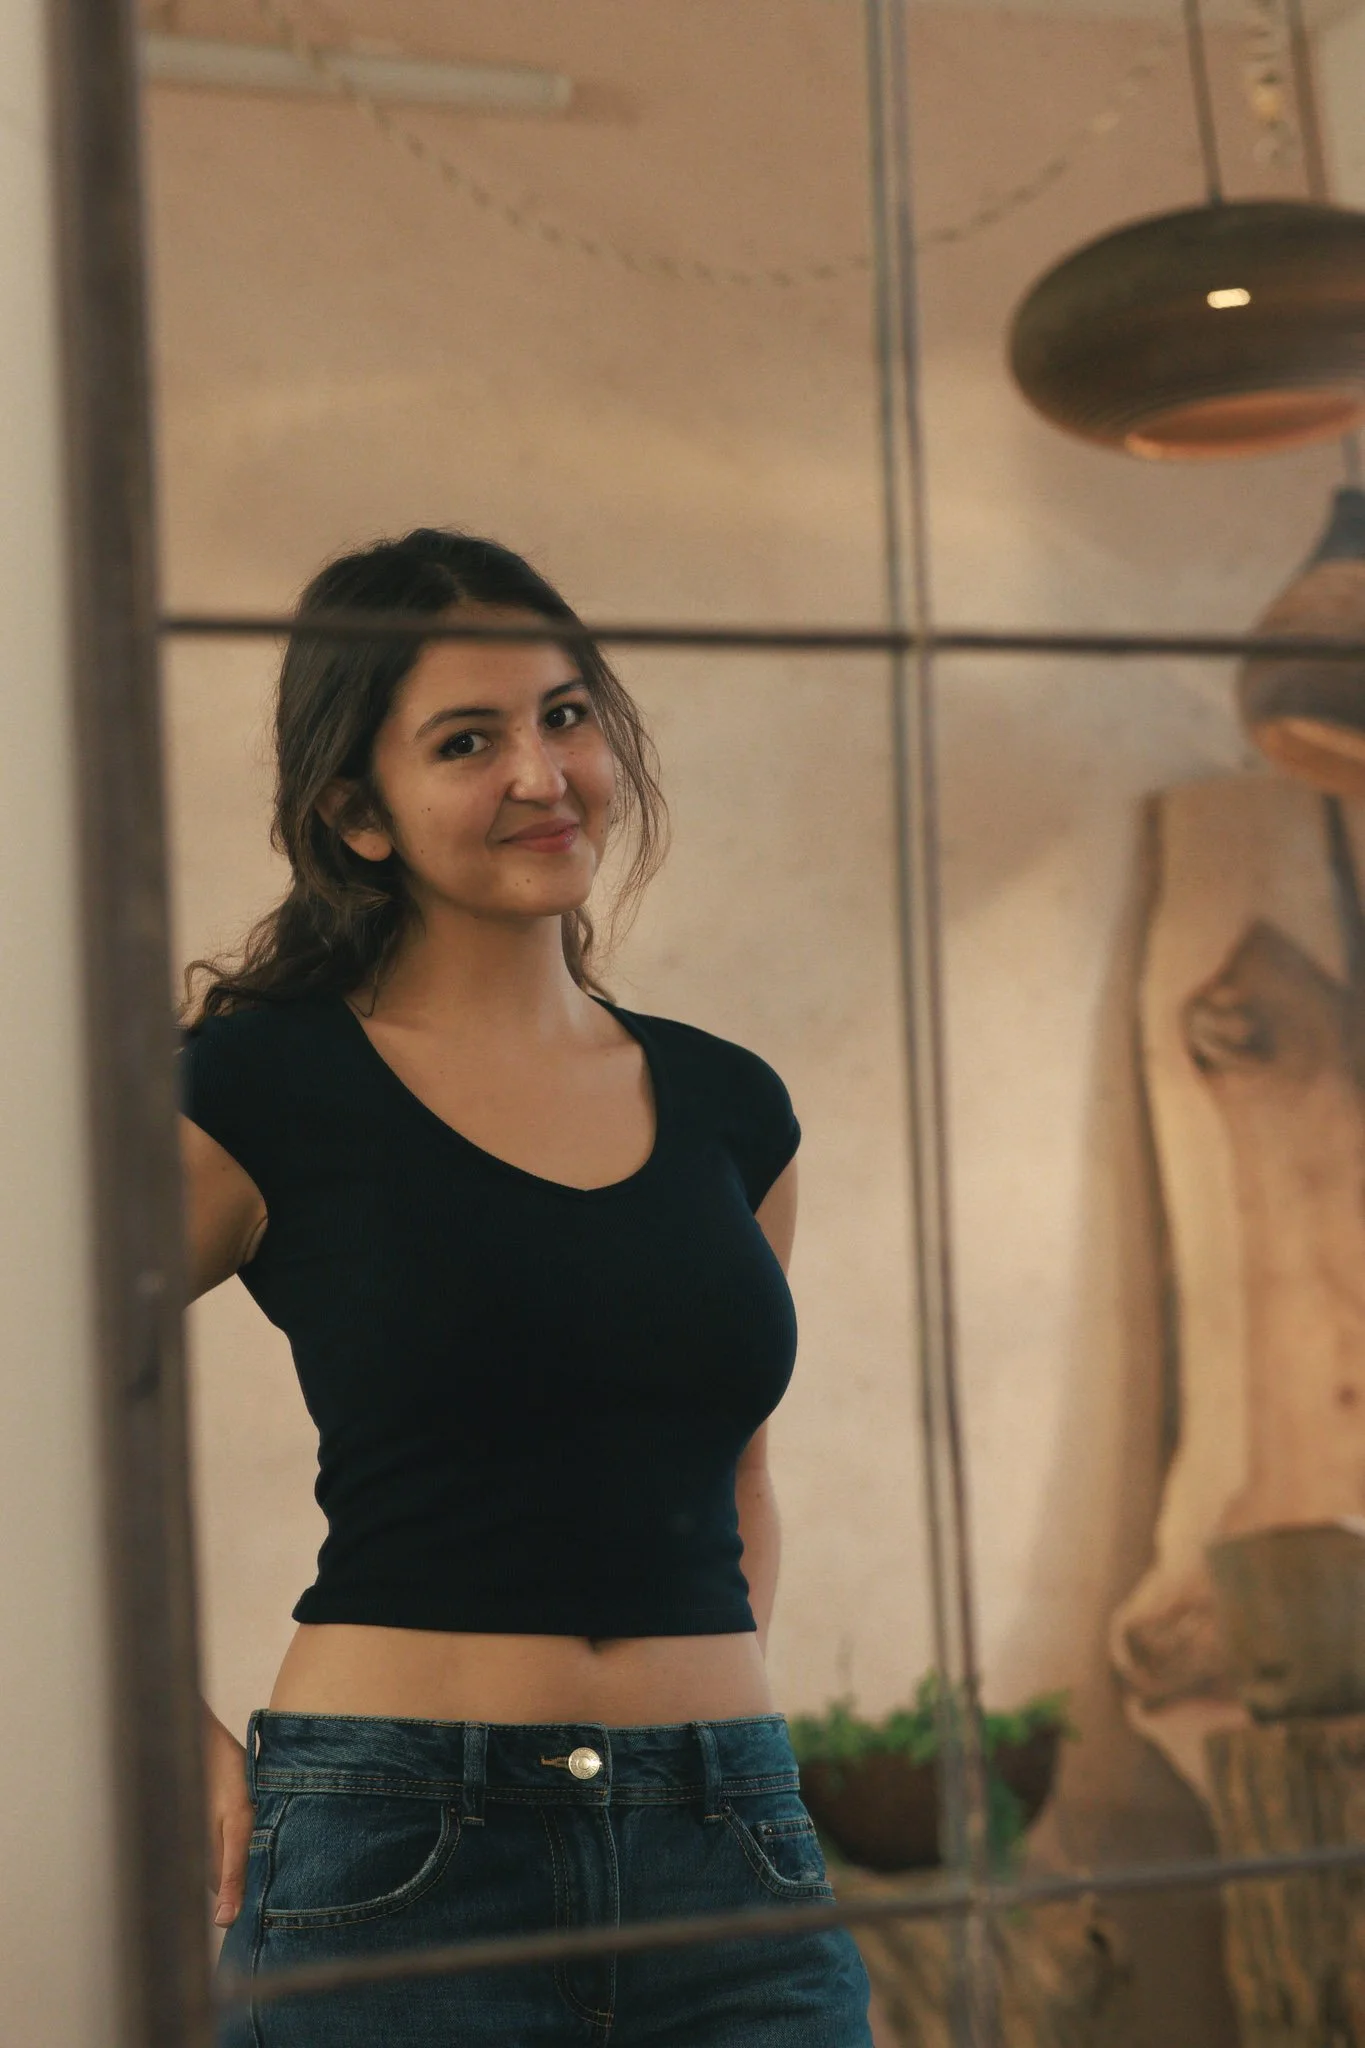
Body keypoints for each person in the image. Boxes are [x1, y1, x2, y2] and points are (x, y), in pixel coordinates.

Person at [180, 528, 872, 2046]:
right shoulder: (258, 1089)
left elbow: (737, 1474)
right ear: (358, 814)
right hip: (397, 1856)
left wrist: (712, 1750)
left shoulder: (732, 1108)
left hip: (733, 1858)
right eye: (467, 741)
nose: (543, 774)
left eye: (565, 716)